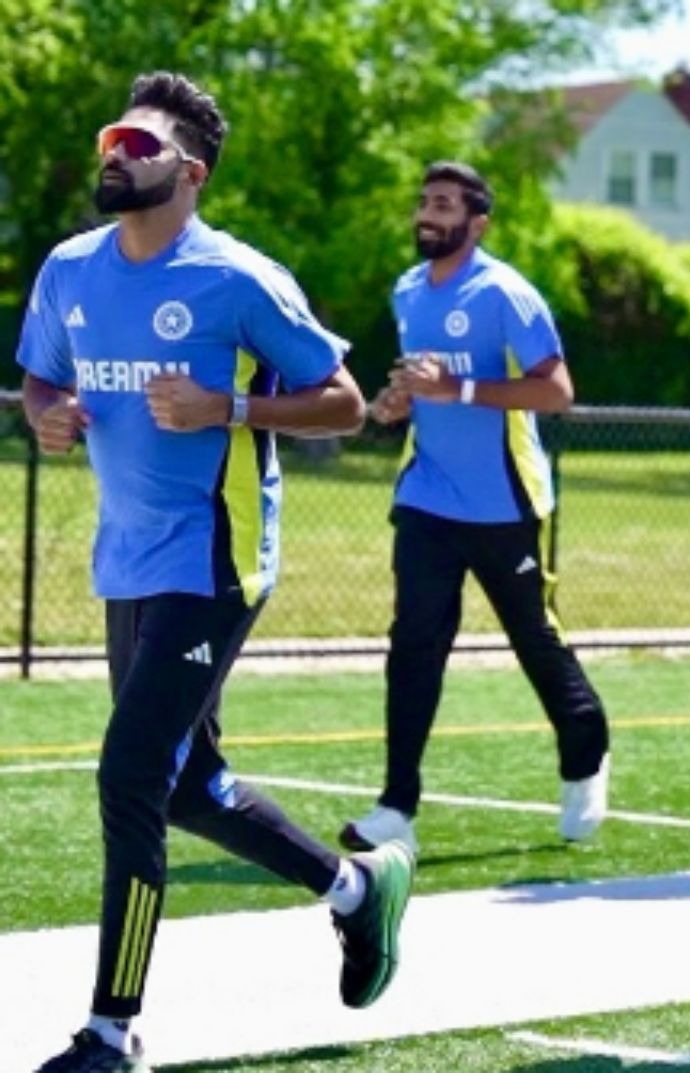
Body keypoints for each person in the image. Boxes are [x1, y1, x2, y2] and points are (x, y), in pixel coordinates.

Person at [16, 72, 412, 1073]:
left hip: (216, 561)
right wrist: (45, 415)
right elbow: (43, 375)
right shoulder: (70, 268)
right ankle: (359, 890)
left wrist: (228, 410)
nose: (113, 152)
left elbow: (345, 403)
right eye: (110, 138)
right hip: (127, 561)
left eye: (136, 143)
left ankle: (111, 1031)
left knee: (131, 775)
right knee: (189, 784)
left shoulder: (237, 280)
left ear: (187, 172)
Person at [341, 162, 613, 857]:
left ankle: (586, 753)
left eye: (443, 204)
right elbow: (418, 383)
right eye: (424, 203)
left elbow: (556, 392)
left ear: (477, 222)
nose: (427, 215)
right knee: (414, 645)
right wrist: (397, 400)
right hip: (426, 497)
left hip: (504, 503)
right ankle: (396, 802)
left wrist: (456, 388)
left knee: (532, 637)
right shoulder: (408, 290)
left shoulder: (506, 293)